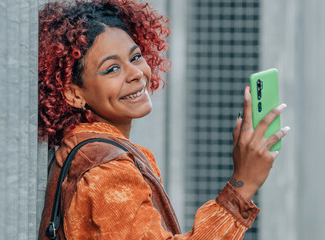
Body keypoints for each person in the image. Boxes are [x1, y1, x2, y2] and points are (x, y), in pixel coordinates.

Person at [38, 0, 290, 239]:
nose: (136, 73)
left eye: (135, 57)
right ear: (73, 93)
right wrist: (242, 185)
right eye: (112, 68)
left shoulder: (88, 150)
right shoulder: (108, 170)